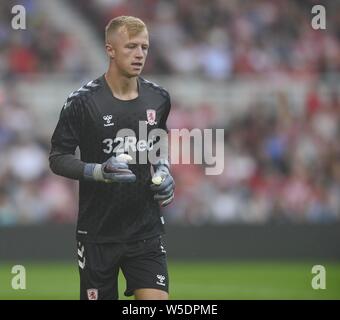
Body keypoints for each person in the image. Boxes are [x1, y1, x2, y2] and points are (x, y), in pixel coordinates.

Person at [49, 16, 174, 300]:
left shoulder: (159, 98)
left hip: (146, 231)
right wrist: (98, 171)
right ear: (110, 50)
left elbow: (159, 142)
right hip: (97, 234)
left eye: (144, 47)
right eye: (131, 46)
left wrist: (165, 171)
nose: (140, 54)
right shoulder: (82, 101)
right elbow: (58, 157)